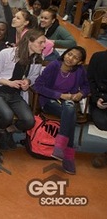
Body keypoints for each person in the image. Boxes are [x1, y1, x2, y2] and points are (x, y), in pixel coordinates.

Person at [33, 47, 89, 175]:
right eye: (69, 54)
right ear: (64, 54)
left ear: (80, 62)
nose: (71, 58)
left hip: (67, 103)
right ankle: (68, 157)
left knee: (69, 110)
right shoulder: (54, 66)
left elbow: (86, 87)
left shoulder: (80, 71)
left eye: (75, 57)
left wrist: (80, 93)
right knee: (70, 112)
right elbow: (38, 86)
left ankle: (60, 147)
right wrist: (60, 95)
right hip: (49, 102)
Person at [0, 29, 45, 150]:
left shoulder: (37, 59)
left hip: (15, 95)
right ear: (30, 42)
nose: (43, 46)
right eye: (40, 42)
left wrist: (27, 82)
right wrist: (9, 83)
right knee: (7, 116)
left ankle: (6, 131)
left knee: (29, 121)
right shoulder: (6, 53)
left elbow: (33, 77)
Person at [88, 50, 107, 168]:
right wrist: (96, 99)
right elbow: (90, 80)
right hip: (98, 99)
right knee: (102, 121)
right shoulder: (98, 57)